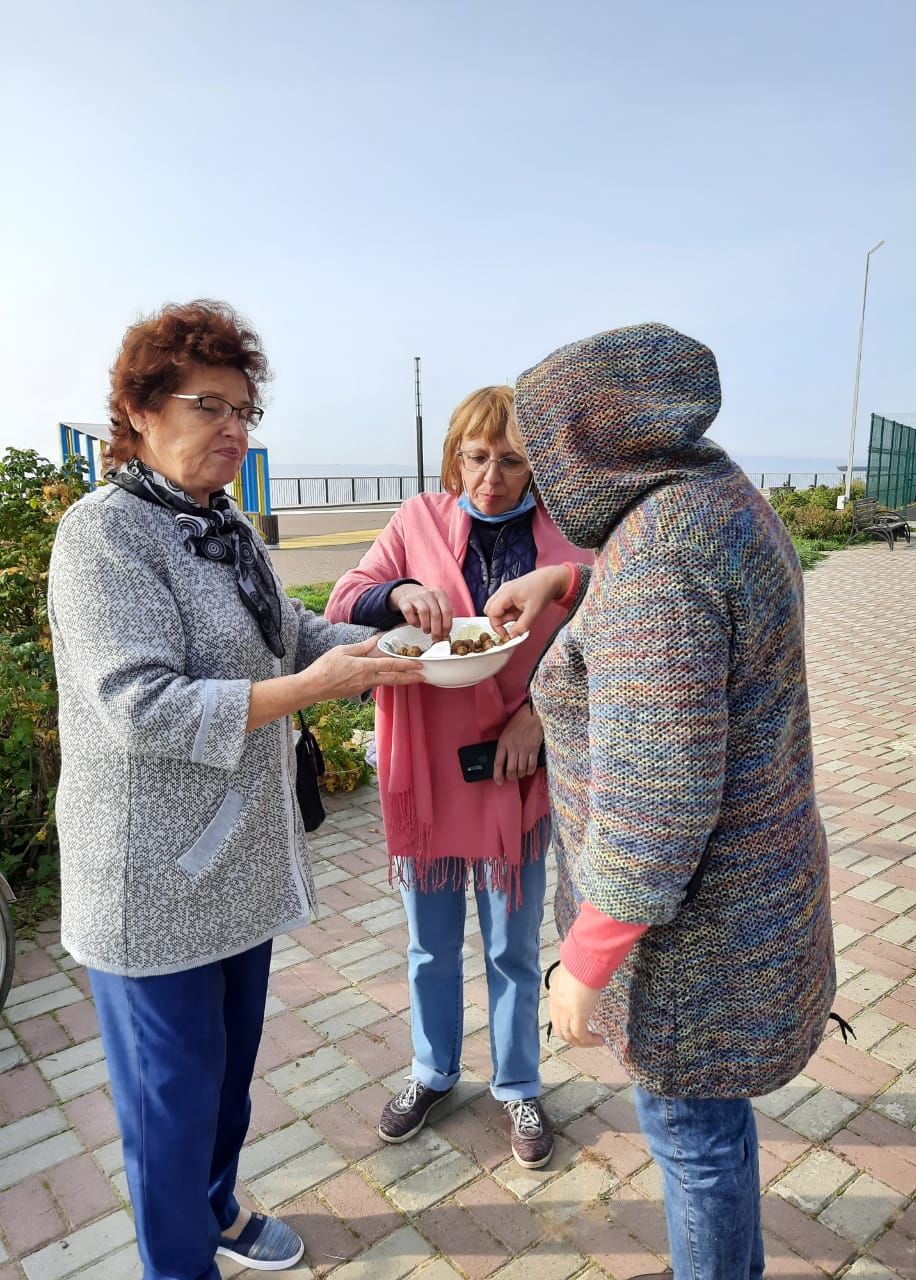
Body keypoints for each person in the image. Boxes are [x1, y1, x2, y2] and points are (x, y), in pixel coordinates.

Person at [47, 300, 423, 1280]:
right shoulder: (104, 537)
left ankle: (215, 1207)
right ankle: (182, 1259)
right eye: (207, 404)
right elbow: (140, 704)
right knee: (166, 1106)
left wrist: (386, 647)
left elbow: (293, 633)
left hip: (236, 867)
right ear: (137, 407)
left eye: (246, 410)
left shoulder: (226, 526)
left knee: (222, 1089)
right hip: (145, 884)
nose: (234, 429)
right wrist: (309, 691)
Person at [485, 325, 836, 1280]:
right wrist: (571, 580)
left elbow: (656, 801)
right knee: (714, 1127)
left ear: (593, 441)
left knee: (693, 1140)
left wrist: (585, 963)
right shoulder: (716, 499)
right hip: (751, 898)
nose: (543, 474)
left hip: (692, 945)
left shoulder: (658, 557)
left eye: (542, 449)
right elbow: (691, 601)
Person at [325, 386, 590, 1168]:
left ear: (538, 467)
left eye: (512, 460)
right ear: (455, 456)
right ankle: (432, 1070)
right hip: (429, 768)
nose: (492, 477)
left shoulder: (562, 539)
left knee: (512, 946)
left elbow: (604, 635)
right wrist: (398, 591)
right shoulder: (416, 523)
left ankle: (517, 1086)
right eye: (477, 457)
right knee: (428, 946)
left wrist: (540, 714)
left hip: (515, 769)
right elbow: (346, 596)